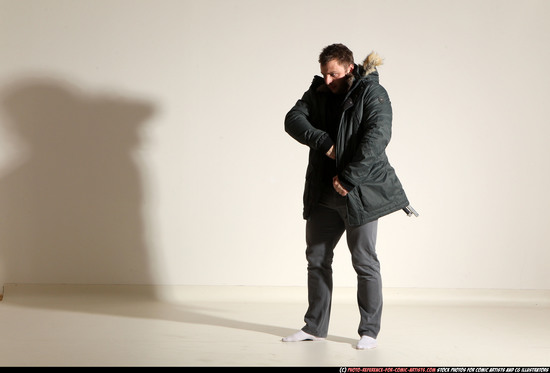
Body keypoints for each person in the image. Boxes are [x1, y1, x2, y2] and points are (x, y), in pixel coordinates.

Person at [282, 43, 410, 350]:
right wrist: (325, 142)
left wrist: (350, 178)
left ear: (349, 68)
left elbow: (377, 138)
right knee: (317, 258)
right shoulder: (319, 93)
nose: (328, 80)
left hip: (360, 194)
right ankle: (314, 327)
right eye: (324, 74)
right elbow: (292, 120)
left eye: (334, 74)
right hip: (325, 195)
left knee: (364, 261)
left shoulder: (373, 94)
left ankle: (369, 331)